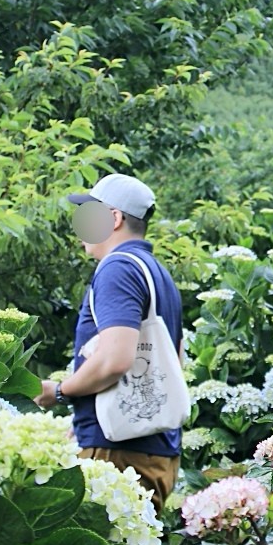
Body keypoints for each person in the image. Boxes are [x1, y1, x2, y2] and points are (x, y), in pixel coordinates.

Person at [36, 172, 183, 507]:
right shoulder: (154, 271)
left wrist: (60, 392)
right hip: (152, 450)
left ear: (114, 218)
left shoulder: (117, 269)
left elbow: (117, 358)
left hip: (119, 453)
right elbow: (173, 360)